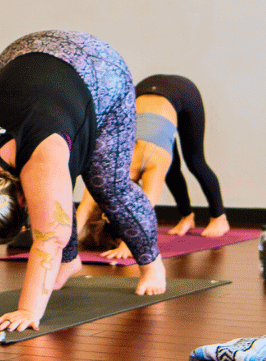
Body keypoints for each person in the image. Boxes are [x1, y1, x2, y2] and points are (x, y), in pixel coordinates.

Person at [0, 30, 167, 332]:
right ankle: (70, 263)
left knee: (107, 184)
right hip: (22, 53)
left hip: (98, 69)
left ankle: (152, 266)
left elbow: (49, 237)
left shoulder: (40, 160)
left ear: (22, 201)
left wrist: (28, 310)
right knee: (53, 195)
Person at [76, 74, 229, 259]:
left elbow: (144, 211)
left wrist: (129, 245)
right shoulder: (108, 170)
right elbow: (83, 210)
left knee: (195, 161)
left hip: (182, 91)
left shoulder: (145, 165)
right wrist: (62, 246)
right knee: (170, 167)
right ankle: (187, 217)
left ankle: (219, 218)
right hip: (146, 89)